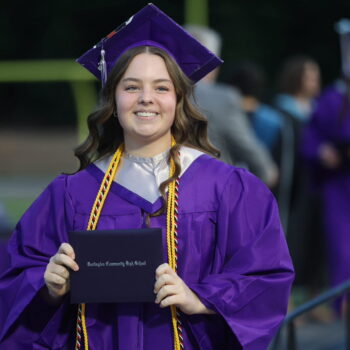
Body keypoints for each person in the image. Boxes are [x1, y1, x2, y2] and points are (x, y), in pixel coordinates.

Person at [0, 4, 294, 350]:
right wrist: (48, 288)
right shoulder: (70, 194)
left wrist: (201, 299)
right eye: (131, 87)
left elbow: (265, 276)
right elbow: (15, 276)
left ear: (179, 99)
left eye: (161, 88)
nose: (146, 99)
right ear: (113, 98)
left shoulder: (228, 189)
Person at [185, 25, 279, 188]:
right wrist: (267, 171)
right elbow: (247, 147)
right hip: (211, 192)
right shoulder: (224, 98)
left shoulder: (160, 93)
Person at [302, 18, 350, 314]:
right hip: (340, 185)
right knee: (341, 247)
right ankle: (341, 306)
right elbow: (311, 138)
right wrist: (322, 151)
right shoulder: (332, 99)